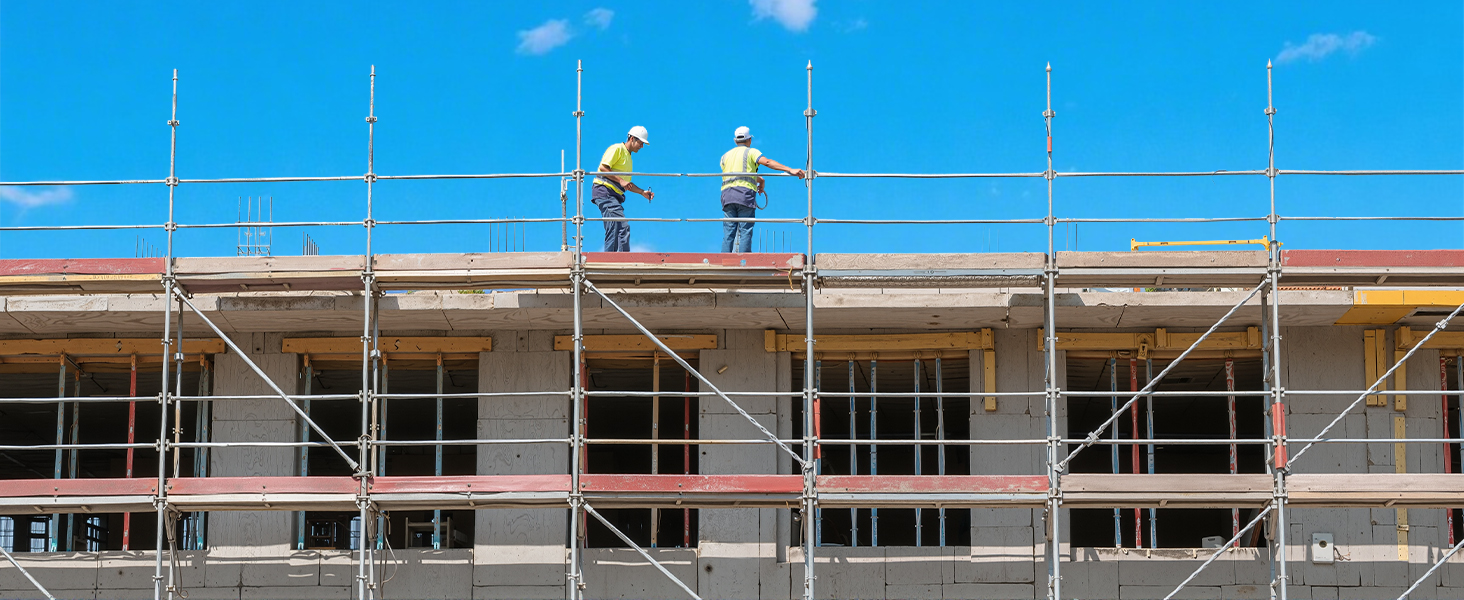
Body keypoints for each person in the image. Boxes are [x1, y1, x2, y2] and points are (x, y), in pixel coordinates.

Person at [718, 126, 804, 253]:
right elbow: (768, 162)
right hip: (744, 195)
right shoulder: (751, 152)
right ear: (749, 140)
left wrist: (761, 180)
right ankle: (743, 260)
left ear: (735, 140)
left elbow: (739, 173)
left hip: (727, 196)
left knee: (729, 232)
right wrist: (789, 170)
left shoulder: (725, 156)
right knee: (745, 230)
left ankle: (723, 260)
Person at [591, 126, 654, 252]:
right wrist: (620, 180)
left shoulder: (628, 158)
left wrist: (642, 192)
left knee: (620, 227)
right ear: (632, 139)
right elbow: (603, 167)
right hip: (605, 191)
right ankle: (612, 260)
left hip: (613, 195)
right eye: (641, 143)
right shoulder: (617, 149)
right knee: (617, 225)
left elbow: (627, 184)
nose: (641, 146)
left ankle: (620, 259)